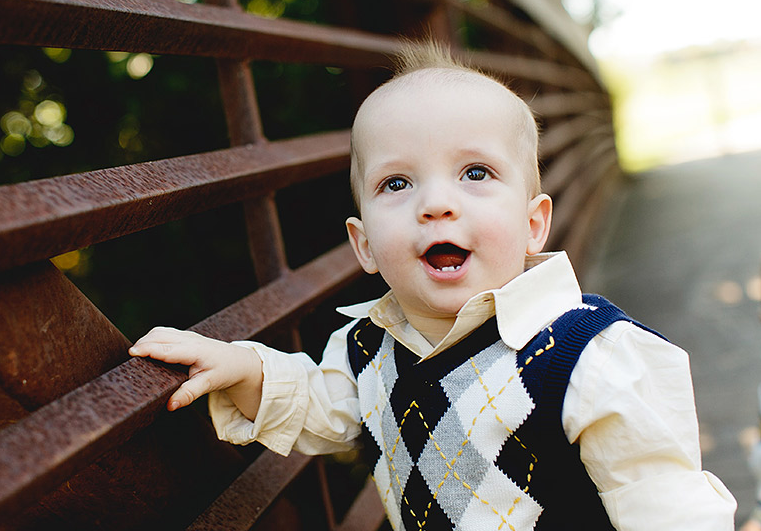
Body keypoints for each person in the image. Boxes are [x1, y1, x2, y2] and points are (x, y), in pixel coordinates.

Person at [129, 40, 736, 529]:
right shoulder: (370, 350)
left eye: (475, 173)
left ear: (532, 225)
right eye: (398, 184)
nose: (436, 204)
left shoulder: (588, 357)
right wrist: (246, 370)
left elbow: (666, 502)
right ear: (364, 243)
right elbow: (324, 408)